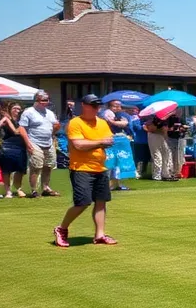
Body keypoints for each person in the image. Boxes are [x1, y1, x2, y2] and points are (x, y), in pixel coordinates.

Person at [53, 94, 118, 247]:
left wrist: (94, 143)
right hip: (81, 168)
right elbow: (79, 145)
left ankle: (100, 235)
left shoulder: (102, 123)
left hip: (100, 167)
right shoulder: (75, 123)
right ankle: (61, 229)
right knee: (82, 202)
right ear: (84, 105)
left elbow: (109, 141)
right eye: (93, 105)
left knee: (101, 202)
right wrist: (99, 142)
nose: (97, 109)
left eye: (98, 106)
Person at [19, 90, 61, 198]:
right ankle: (34, 190)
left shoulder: (49, 113)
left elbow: (55, 125)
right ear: (36, 100)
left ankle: (46, 188)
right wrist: (28, 143)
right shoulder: (29, 112)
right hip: (34, 142)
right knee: (36, 166)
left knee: (48, 165)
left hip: (49, 142)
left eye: (47, 100)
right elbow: (22, 128)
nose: (46, 102)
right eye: (43, 100)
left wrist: (55, 129)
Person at [0, 102, 28, 198]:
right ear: (10, 109)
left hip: (21, 146)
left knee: (20, 169)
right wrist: (6, 119)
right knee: (6, 170)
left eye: (19, 109)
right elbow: (16, 131)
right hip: (8, 146)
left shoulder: (23, 120)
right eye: (15, 108)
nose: (17, 110)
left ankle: (18, 189)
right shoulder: (7, 119)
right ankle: (8, 191)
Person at [100, 99, 132, 191]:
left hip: (118, 140)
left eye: (119, 106)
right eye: (115, 106)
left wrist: (119, 122)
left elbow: (125, 123)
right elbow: (122, 123)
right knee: (110, 162)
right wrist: (117, 122)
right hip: (109, 139)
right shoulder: (107, 112)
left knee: (118, 162)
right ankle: (107, 185)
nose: (118, 108)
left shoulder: (119, 114)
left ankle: (116, 184)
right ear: (109, 106)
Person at [128, 105, 150, 179]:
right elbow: (138, 128)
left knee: (146, 157)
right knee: (139, 157)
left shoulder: (147, 120)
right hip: (139, 141)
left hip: (148, 141)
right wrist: (145, 126)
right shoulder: (136, 119)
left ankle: (144, 172)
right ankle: (138, 172)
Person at [165, 112, 186, 180]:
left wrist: (182, 129)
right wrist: (171, 129)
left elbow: (185, 127)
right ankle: (171, 172)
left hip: (180, 139)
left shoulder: (182, 119)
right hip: (171, 138)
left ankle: (178, 172)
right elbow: (165, 128)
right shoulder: (168, 119)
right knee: (171, 156)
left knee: (180, 156)